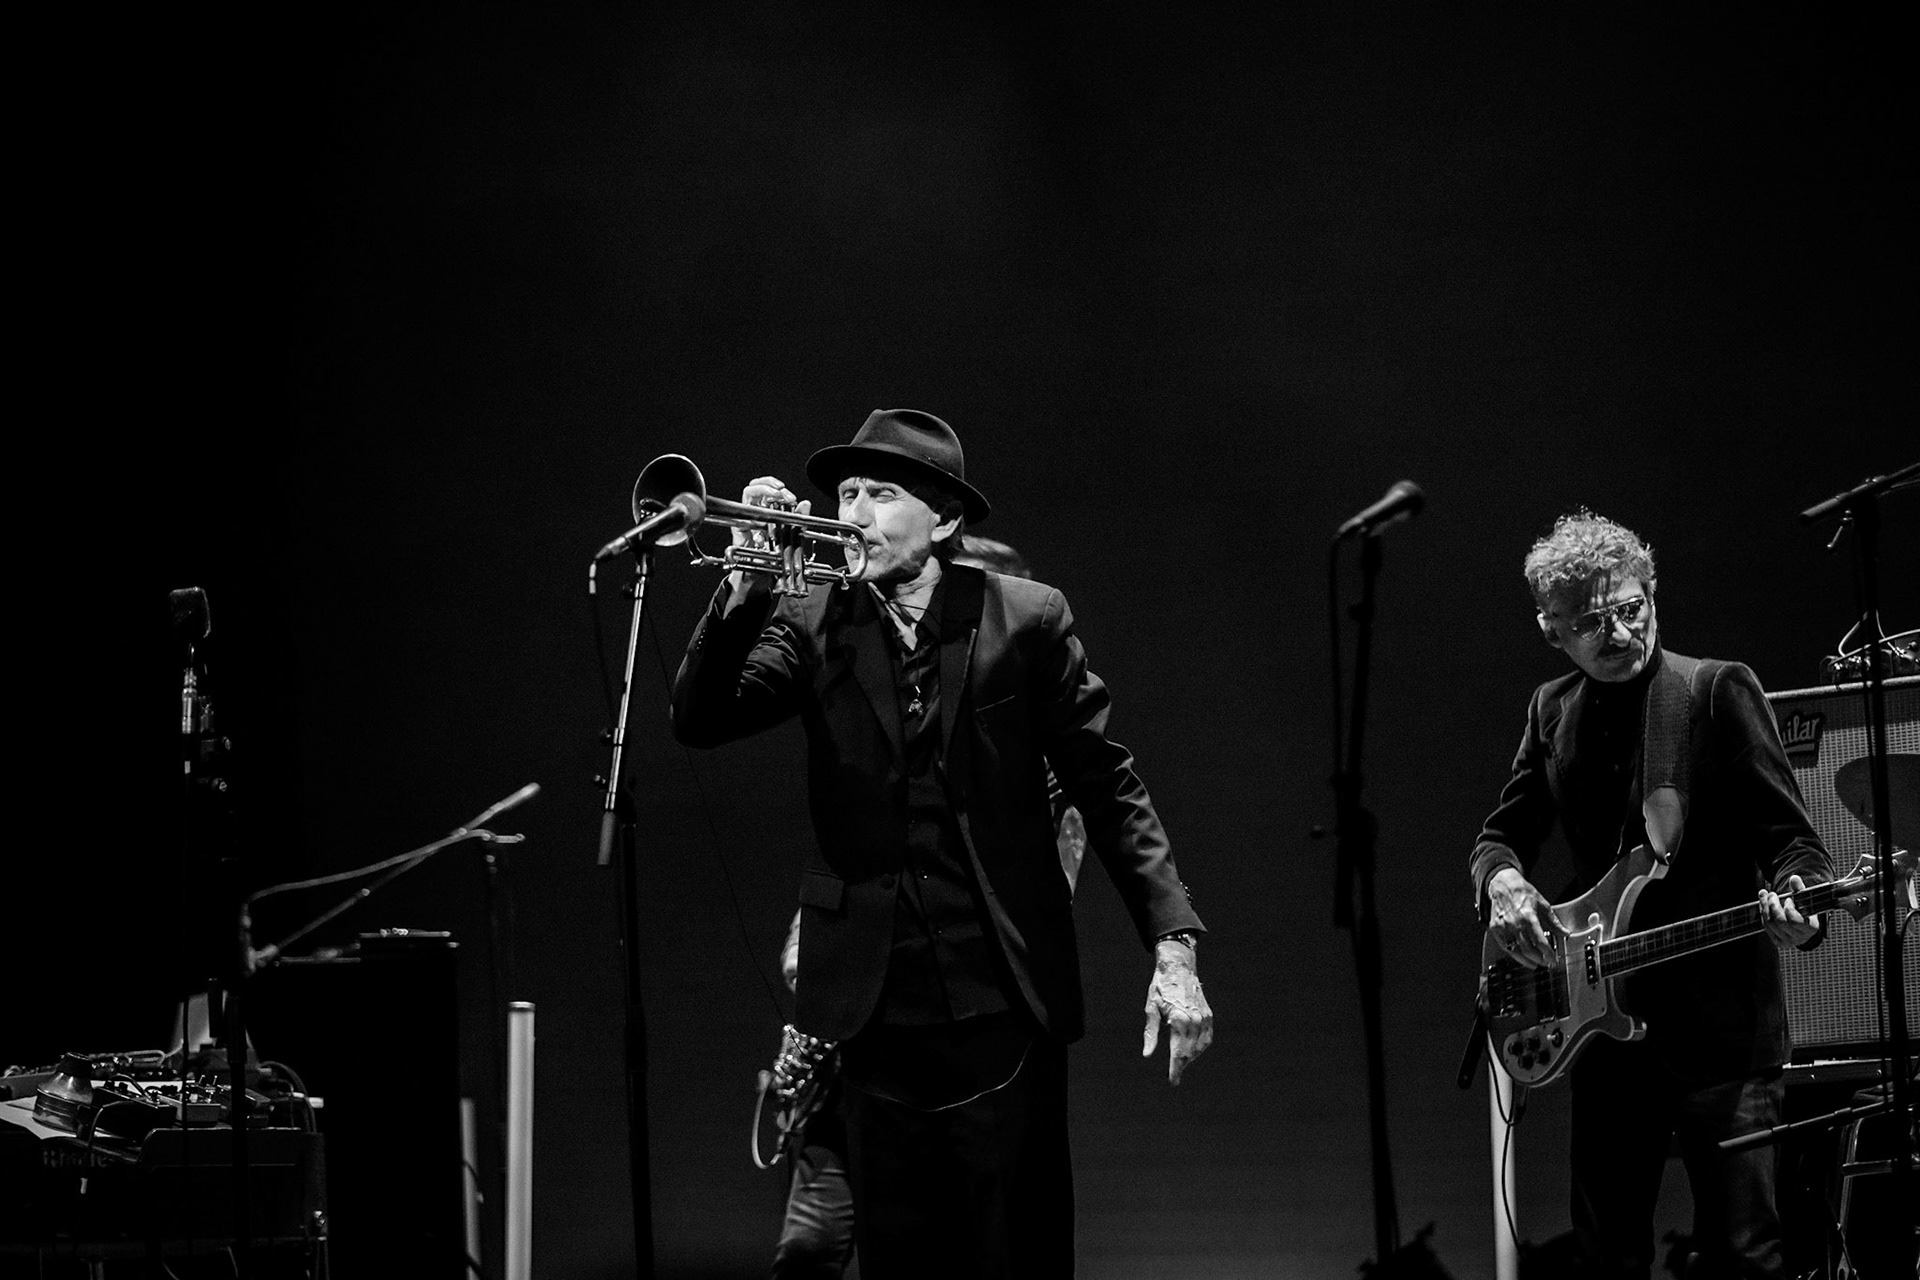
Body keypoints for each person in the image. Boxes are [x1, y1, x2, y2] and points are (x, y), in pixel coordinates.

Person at [674, 409, 1211, 1277]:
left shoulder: (1025, 617)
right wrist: (740, 590)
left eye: (881, 493)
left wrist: (1174, 948)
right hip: (875, 1015)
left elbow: (1109, 785)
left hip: (1003, 1001)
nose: (851, 511)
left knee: (1020, 1256)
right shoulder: (812, 616)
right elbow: (700, 720)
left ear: (946, 520)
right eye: (844, 492)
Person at [1468, 511, 1833, 1280]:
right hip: (1603, 1036)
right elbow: (1500, 837)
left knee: (1746, 1259)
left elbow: (1791, 839)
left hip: (1723, 1034)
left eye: (1631, 609)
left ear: (1652, 595)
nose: (1620, 632)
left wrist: (1798, 899)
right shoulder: (1551, 711)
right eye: (1591, 622)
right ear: (1552, 630)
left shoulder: (1711, 691)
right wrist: (1501, 880)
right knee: (1607, 1259)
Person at [765, 533, 1087, 1280]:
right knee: (807, 1254)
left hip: (956, 1053)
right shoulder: (893, 754)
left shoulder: (1031, 785)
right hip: (852, 1053)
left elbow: (1026, 915)